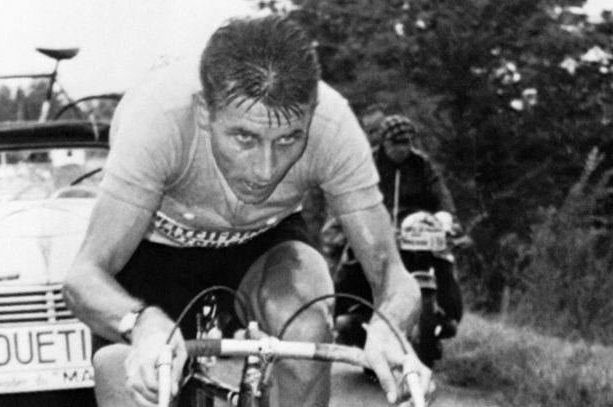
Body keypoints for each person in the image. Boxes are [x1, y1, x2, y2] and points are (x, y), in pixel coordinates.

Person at [63, 16, 430, 407]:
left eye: (290, 138)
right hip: (154, 251)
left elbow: (393, 276)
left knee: (305, 326)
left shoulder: (333, 125)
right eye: (245, 138)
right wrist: (142, 325)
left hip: (263, 242)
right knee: (125, 371)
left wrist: (390, 327)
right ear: (205, 112)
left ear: (311, 115)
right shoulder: (160, 119)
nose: (266, 171)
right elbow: (84, 277)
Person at [332, 114, 464, 350]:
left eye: (407, 143)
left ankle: (448, 314)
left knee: (444, 260)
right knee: (351, 259)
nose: (402, 149)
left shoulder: (422, 165)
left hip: (414, 233)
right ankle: (336, 314)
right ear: (384, 143)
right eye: (396, 144)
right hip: (375, 228)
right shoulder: (367, 162)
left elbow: (441, 195)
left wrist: (447, 218)